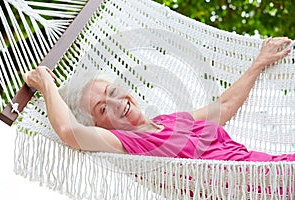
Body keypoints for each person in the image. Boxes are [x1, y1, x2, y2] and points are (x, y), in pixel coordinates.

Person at [23, 37, 294, 161]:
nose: (118, 103)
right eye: (103, 107)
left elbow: (223, 106)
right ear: (98, 126)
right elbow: (70, 131)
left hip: (272, 167)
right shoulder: (127, 143)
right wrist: (47, 84)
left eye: (113, 91)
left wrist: (259, 62)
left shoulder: (168, 121)